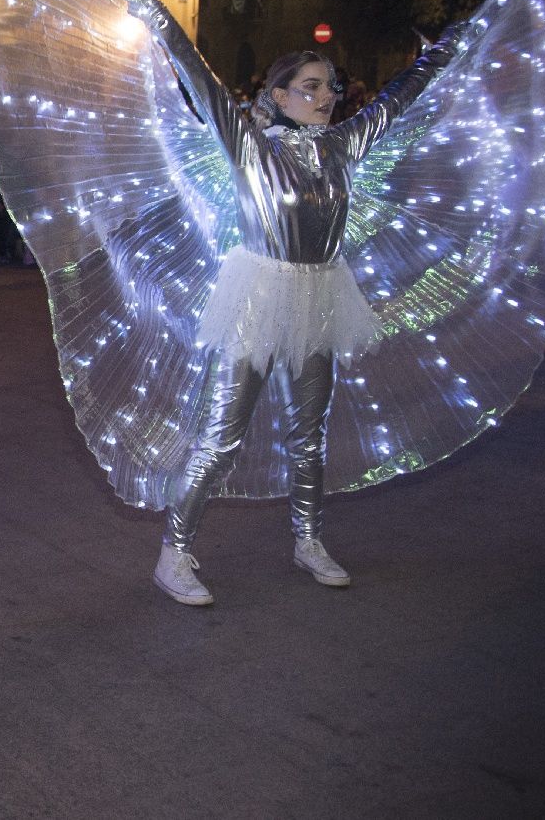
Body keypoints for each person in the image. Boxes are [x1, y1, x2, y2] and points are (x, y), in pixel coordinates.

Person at [152, 42, 453, 606]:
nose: (324, 97)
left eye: (330, 86)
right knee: (221, 437)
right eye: (309, 86)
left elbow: (395, 102)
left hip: (319, 294)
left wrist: (437, 56)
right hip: (258, 298)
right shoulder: (249, 146)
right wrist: (156, 18)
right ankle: (174, 552)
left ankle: (308, 540)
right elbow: (200, 80)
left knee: (309, 434)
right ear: (279, 95)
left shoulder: (342, 145)